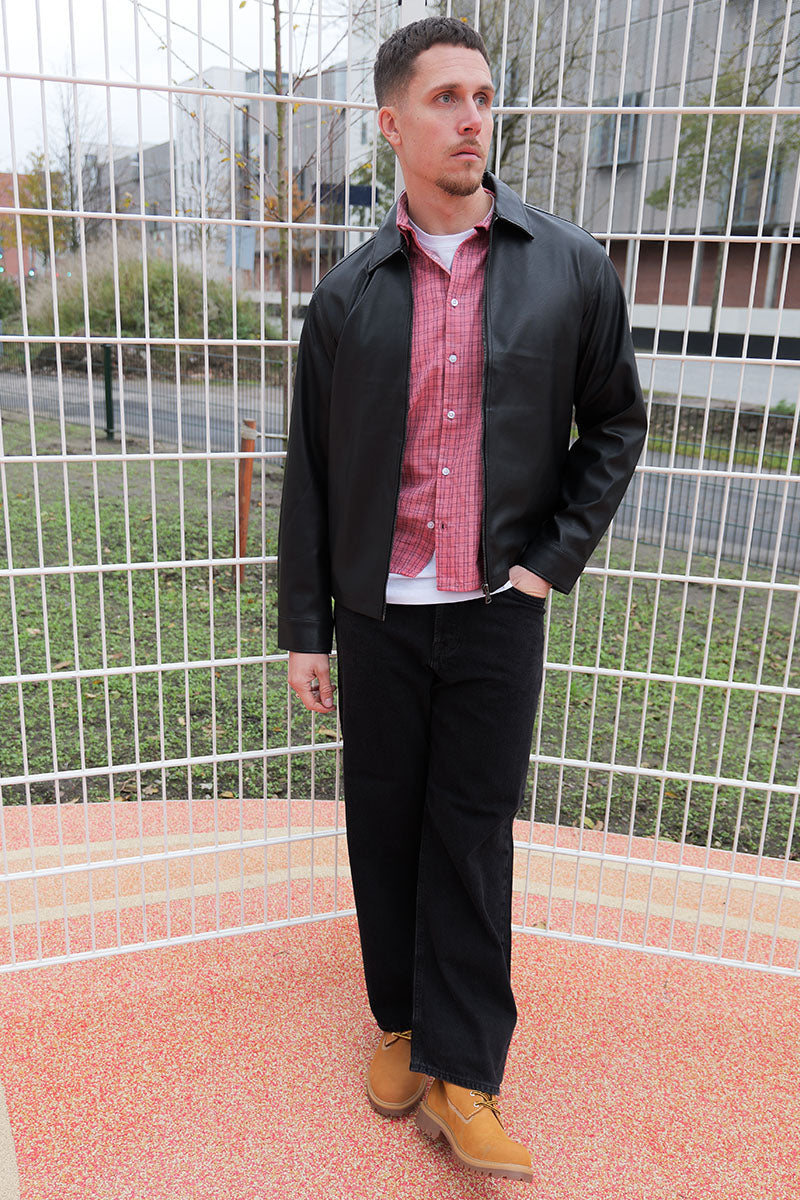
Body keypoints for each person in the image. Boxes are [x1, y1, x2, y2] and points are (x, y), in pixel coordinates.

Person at [277, 15, 647, 1184]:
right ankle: (400, 1021)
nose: (471, 118)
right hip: (378, 614)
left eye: (482, 96)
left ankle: (465, 1069)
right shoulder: (347, 295)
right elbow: (312, 472)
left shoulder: (567, 267)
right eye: (443, 98)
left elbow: (615, 424)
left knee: (472, 834)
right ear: (390, 123)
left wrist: (547, 562)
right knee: (383, 823)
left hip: (495, 607)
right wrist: (306, 629)